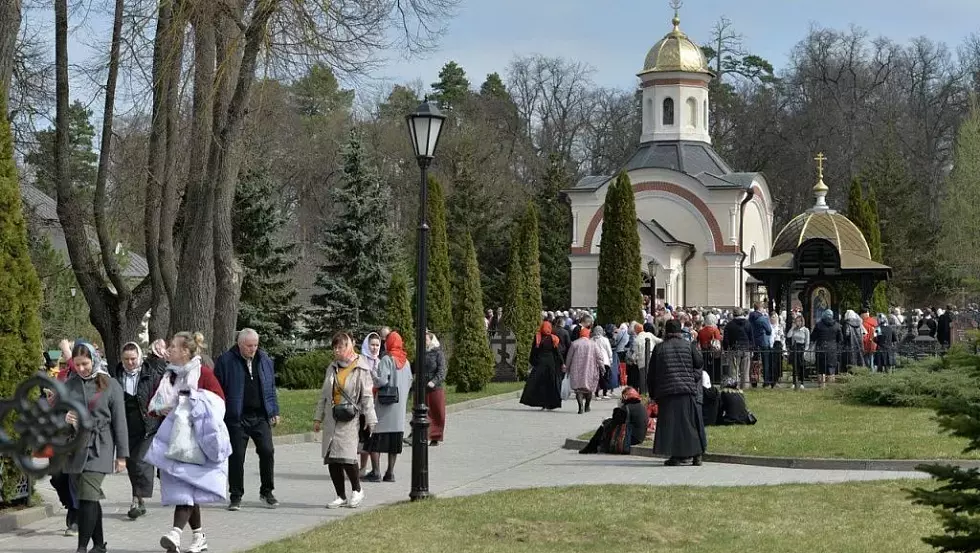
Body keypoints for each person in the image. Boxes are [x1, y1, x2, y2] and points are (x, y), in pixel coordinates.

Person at [146, 331, 230, 553]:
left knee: (187, 488)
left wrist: (192, 403)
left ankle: (175, 533)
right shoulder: (169, 376)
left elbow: (219, 403)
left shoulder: (202, 373)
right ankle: (199, 536)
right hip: (174, 442)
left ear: (185, 351)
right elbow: (153, 404)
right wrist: (160, 408)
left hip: (196, 442)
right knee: (187, 489)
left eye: (173, 346)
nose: (169, 349)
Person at [63, 343, 128, 553]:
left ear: (94, 360)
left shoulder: (111, 384)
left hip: (101, 445)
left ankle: (81, 547)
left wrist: (122, 456)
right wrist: (65, 419)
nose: (81, 368)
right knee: (89, 496)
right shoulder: (70, 384)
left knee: (87, 495)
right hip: (76, 446)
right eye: (77, 364)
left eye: (85, 363)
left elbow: (120, 422)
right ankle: (99, 545)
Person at [214, 328, 281, 511]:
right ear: (240, 344)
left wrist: (274, 410)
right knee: (236, 457)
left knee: (267, 451)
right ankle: (236, 495)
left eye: (255, 345)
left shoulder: (264, 360)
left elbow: (270, 387)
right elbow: (217, 390)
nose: (253, 349)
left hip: (260, 416)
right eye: (249, 346)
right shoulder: (226, 361)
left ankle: (267, 491)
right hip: (237, 417)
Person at [313, 332, 377, 508]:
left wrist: (371, 419)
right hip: (332, 418)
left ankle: (357, 490)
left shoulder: (361, 367)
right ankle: (340, 496)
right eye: (335, 347)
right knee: (332, 458)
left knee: (347, 457)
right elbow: (324, 395)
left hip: (350, 418)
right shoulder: (332, 367)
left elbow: (367, 396)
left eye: (340, 347)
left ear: (349, 346)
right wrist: (318, 418)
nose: (337, 351)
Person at [113, 342, 165, 520]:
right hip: (125, 427)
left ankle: (136, 499)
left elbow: (160, 394)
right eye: (126, 359)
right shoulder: (116, 376)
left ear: (139, 357)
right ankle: (140, 500)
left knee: (141, 462)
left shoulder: (150, 373)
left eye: (133, 359)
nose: (130, 362)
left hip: (147, 426)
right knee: (131, 465)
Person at [647, 319, 706, 466]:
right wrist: (693, 378)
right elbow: (699, 363)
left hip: (667, 391)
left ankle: (677, 455)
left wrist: (653, 393)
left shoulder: (660, 348)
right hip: (687, 389)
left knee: (672, 426)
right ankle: (696, 454)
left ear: (666, 331)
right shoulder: (688, 346)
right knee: (689, 423)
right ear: (680, 331)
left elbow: (652, 373)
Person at [365, 331, 412, 482]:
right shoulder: (406, 362)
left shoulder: (386, 359)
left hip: (385, 407)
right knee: (394, 443)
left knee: (375, 440)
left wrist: (373, 375)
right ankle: (390, 473)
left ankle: (376, 472)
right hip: (399, 409)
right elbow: (410, 381)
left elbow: (382, 381)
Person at [578, 387, 649, 454]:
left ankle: (591, 447)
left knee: (603, 427)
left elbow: (615, 422)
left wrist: (608, 420)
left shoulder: (626, 408)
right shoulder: (641, 406)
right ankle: (593, 446)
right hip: (639, 437)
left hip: (630, 438)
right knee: (607, 424)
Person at [520, 321, 565, 410]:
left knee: (540, 384)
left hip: (540, 363)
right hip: (551, 364)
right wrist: (562, 363)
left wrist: (533, 362)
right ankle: (551, 404)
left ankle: (542, 403)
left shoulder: (538, 337)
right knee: (551, 384)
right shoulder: (554, 338)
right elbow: (557, 352)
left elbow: (533, 352)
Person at [359, 333, 383, 479]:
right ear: (367, 345)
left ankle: (374, 469)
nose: (374, 348)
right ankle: (363, 467)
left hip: (376, 405)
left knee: (372, 437)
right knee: (363, 437)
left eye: (377, 345)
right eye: (372, 345)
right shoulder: (361, 360)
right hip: (363, 404)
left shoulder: (379, 362)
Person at [565, 327, 603, 414]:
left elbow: (569, 357)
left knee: (578, 389)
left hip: (577, 369)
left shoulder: (574, 344)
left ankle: (580, 407)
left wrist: (567, 368)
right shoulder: (593, 344)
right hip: (590, 369)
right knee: (589, 389)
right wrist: (602, 367)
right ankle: (587, 405)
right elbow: (599, 357)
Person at [421, 331, 448, 445]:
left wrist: (434, 381)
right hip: (423, 387)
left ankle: (435, 437)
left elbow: (442, 370)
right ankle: (422, 434)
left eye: (426, 340)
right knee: (423, 412)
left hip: (435, 388)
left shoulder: (438, 353)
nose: (424, 342)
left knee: (437, 413)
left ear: (431, 340)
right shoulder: (421, 353)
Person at [811, 310, 843, 388]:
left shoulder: (819, 325)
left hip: (821, 348)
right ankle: (830, 386)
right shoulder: (837, 326)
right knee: (831, 369)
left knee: (820, 369)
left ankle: (821, 386)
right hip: (832, 349)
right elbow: (841, 339)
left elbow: (813, 337)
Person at [722, 308, 753, 388]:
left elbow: (726, 339)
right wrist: (751, 348)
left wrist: (725, 349)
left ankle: (734, 386)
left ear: (733, 314)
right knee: (745, 371)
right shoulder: (748, 324)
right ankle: (745, 386)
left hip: (734, 349)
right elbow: (751, 337)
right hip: (746, 349)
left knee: (734, 371)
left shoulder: (729, 325)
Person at [748, 302, 772, 388]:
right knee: (765, 361)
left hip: (754, 342)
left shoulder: (750, 318)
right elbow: (769, 330)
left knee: (755, 361)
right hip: (763, 341)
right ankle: (766, 381)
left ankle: (754, 380)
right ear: (760, 308)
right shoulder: (763, 318)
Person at [785, 314, 810, 389]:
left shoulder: (805, 330)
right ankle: (794, 382)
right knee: (794, 366)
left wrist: (805, 352)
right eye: (796, 321)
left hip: (801, 348)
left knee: (801, 366)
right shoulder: (794, 329)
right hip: (795, 348)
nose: (797, 323)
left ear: (802, 322)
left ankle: (802, 382)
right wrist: (792, 328)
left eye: (799, 321)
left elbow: (807, 342)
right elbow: (789, 336)